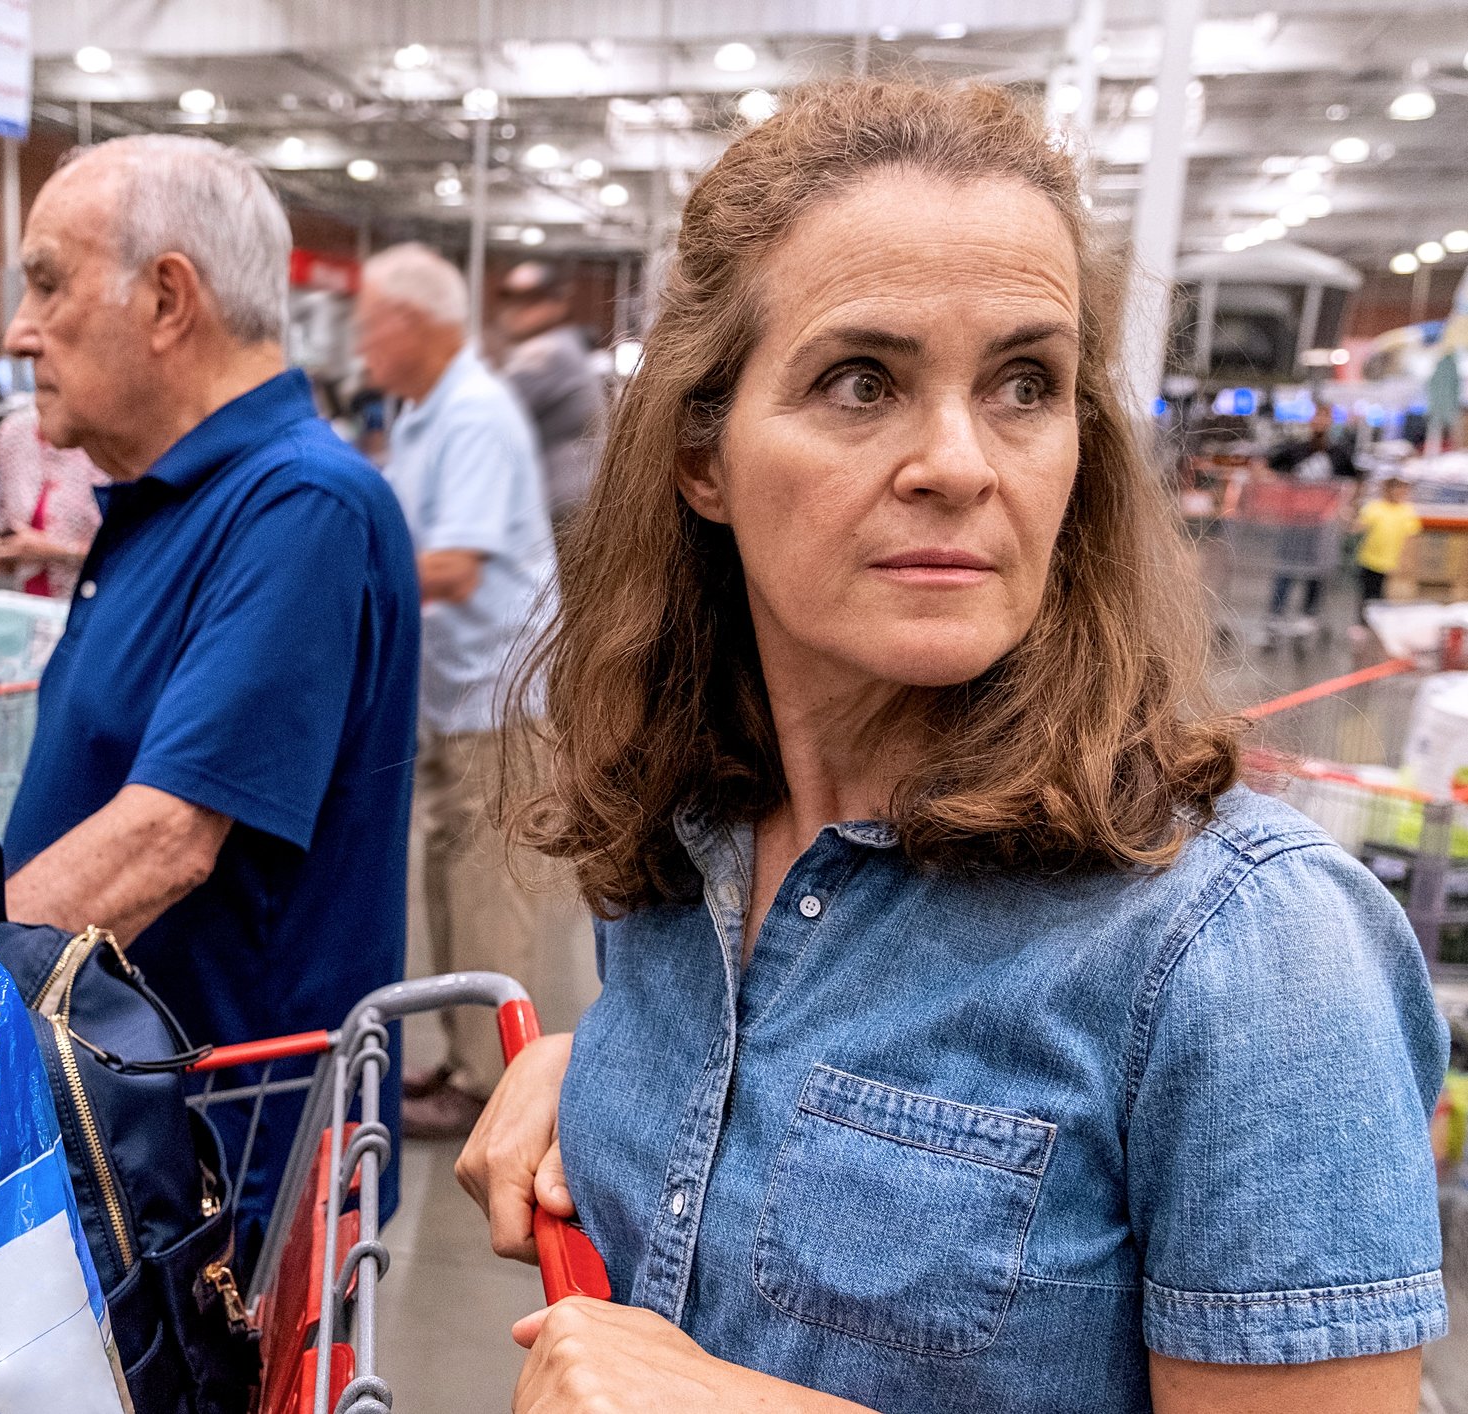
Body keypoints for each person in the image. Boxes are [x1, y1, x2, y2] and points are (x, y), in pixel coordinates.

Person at [457, 79, 1444, 1414]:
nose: (958, 460)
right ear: (704, 451)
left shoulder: (1246, 955)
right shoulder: (690, 837)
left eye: (1024, 383)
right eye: (861, 381)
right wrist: (611, 1075)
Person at [0, 135, 420, 1257]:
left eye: (45, 280)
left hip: (224, 1182)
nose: (17, 329)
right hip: (130, 1139)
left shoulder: (299, 508)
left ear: (167, 297)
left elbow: (164, 840)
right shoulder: (172, 500)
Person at [354, 243, 558, 1139]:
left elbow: (453, 566)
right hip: (450, 696)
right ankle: (460, 1053)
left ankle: (488, 1086)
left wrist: (332, 582)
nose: (361, 341)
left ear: (415, 323)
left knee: (484, 889)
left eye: (370, 323)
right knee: (443, 880)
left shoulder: (472, 414)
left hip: (497, 703)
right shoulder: (420, 416)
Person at [494, 261, 607, 528]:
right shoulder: (560, 346)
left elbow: (489, 414)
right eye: (510, 299)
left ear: (556, 305)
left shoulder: (547, 351)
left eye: (531, 300)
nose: (517, 310)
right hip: (566, 500)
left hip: (562, 507)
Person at [0, 405, 105, 598]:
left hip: (96, 603)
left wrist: (55, 550)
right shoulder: (14, 432)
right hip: (32, 606)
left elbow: (135, 553)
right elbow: (10, 526)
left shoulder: (109, 438)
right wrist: (1, 550)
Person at [1262, 407, 1358, 621]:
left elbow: (1352, 482)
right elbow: (1267, 469)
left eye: (1325, 417)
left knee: (1317, 571)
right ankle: (1276, 614)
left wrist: (1343, 507)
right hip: (1294, 520)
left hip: (1322, 523)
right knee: (1286, 568)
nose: (1320, 422)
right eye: (1317, 416)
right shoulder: (1296, 449)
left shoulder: (1339, 453)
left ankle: (1308, 615)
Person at [1356, 476, 1422, 605]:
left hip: (1392, 561)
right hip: (1370, 559)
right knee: (1367, 595)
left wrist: (1407, 560)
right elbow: (1359, 526)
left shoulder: (1407, 511)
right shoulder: (1375, 507)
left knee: (1384, 597)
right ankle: (1363, 622)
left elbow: (1411, 537)